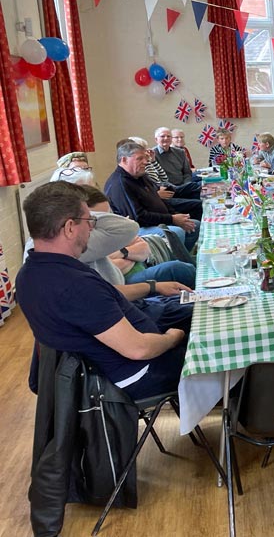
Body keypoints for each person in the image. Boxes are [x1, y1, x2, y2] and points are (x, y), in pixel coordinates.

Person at [16, 181, 187, 400]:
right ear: (69, 228)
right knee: (214, 357)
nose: (91, 228)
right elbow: (139, 349)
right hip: (135, 377)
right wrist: (172, 338)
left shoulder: (29, 274)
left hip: (107, 374)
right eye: (90, 220)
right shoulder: (74, 285)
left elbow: (104, 298)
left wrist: (152, 287)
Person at [103, 141, 199, 251]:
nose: (146, 162)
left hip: (157, 221)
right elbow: (138, 217)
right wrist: (172, 219)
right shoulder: (119, 184)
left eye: (145, 158)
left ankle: (180, 254)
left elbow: (159, 201)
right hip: (138, 229)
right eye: (140, 159)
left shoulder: (140, 176)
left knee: (195, 225)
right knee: (176, 232)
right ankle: (175, 258)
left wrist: (175, 215)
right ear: (124, 160)